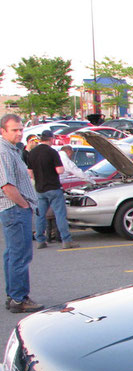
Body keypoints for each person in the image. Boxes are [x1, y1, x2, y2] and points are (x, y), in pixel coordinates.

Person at [0, 114, 43, 313]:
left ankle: (14, 296)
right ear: (3, 131)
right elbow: (7, 185)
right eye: (14, 130)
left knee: (12, 254)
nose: (19, 133)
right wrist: (24, 205)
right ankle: (19, 298)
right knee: (20, 255)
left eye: (20, 129)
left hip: (15, 209)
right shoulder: (4, 152)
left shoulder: (12, 150)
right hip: (14, 209)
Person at [28, 130, 79, 250]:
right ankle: (66, 240)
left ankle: (40, 240)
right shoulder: (53, 152)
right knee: (60, 214)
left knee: (41, 215)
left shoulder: (32, 153)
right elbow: (60, 170)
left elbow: (30, 172)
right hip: (54, 187)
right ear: (50, 139)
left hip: (40, 188)